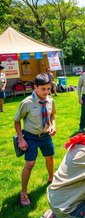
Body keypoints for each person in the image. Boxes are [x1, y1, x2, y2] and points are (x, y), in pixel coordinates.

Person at [14, 73, 56, 206]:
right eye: (43, 89)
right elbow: (16, 121)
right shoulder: (27, 103)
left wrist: (53, 126)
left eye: (48, 89)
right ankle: (23, 192)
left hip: (45, 136)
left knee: (49, 157)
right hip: (30, 137)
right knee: (30, 164)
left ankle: (51, 179)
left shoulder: (50, 100)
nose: (46, 92)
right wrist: (21, 139)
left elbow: (52, 115)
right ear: (35, 87)